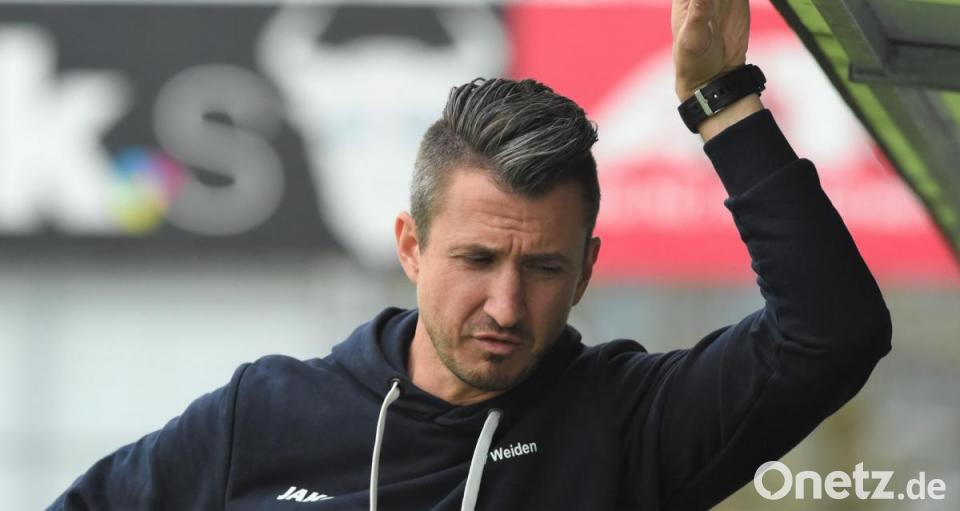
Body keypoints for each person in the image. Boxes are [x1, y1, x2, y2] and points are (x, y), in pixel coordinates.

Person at [51, 0, 891, 509]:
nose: (506, 305)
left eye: (543, 268)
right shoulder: (263, 416)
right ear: (411, 247)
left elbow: (833, 333)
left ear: (587, 271)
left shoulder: (628, 424)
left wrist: (723, 102)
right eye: (478, 259)